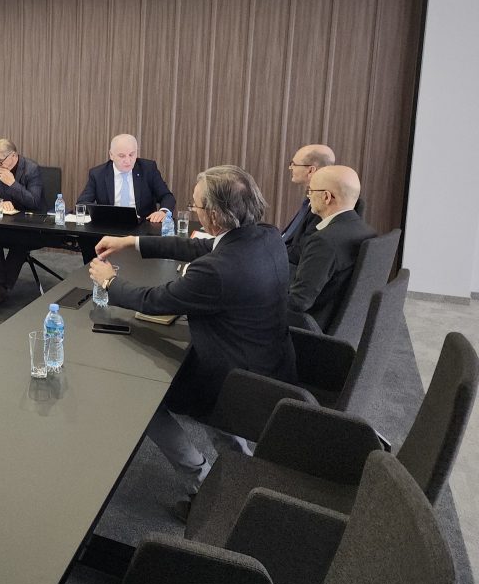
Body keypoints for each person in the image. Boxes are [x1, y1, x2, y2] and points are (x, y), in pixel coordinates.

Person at [89, 165, 294, 496]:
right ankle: (241, 463)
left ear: (212, 215)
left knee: (144, 394)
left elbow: (155, 300)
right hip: (270, 363)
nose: (192, 209)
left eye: (195, 205)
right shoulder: (267, 235)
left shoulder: (216, 272)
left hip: (234, 380)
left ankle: (199, 480)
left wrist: (109, 281)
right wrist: (131, 241)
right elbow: (197, 248)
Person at [288, 165, 377, 331]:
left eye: (311, 191)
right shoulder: (366, 231)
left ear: (326, 197)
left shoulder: (324, 241)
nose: (309, 196)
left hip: (309, 331)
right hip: (341, 326)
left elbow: (298, 302)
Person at [77, 133, 176, 262]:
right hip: (109, 228)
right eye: (122, 156)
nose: (128, 160)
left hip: (142, 228)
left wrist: (163, 211)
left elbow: (167, 196)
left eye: (132, 154)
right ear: (111, 155)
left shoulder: (148, 168)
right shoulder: (98, 173)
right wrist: (102, 213)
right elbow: (82, 203)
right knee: (85, 237)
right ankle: (93, 272)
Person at [0, 139, 44, 304]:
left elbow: (35, 202)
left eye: (0, 160)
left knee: (19, 240)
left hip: (32, 223)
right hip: (9, 221)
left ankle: (1, 288)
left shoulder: (31, 169)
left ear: (13, 156)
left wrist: (12, 183)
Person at [281, 144, 335, 268]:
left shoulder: (324, 205)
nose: (291, 168)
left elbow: (301, 252)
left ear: (311, 170)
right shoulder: (312, 196)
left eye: (294, 164)